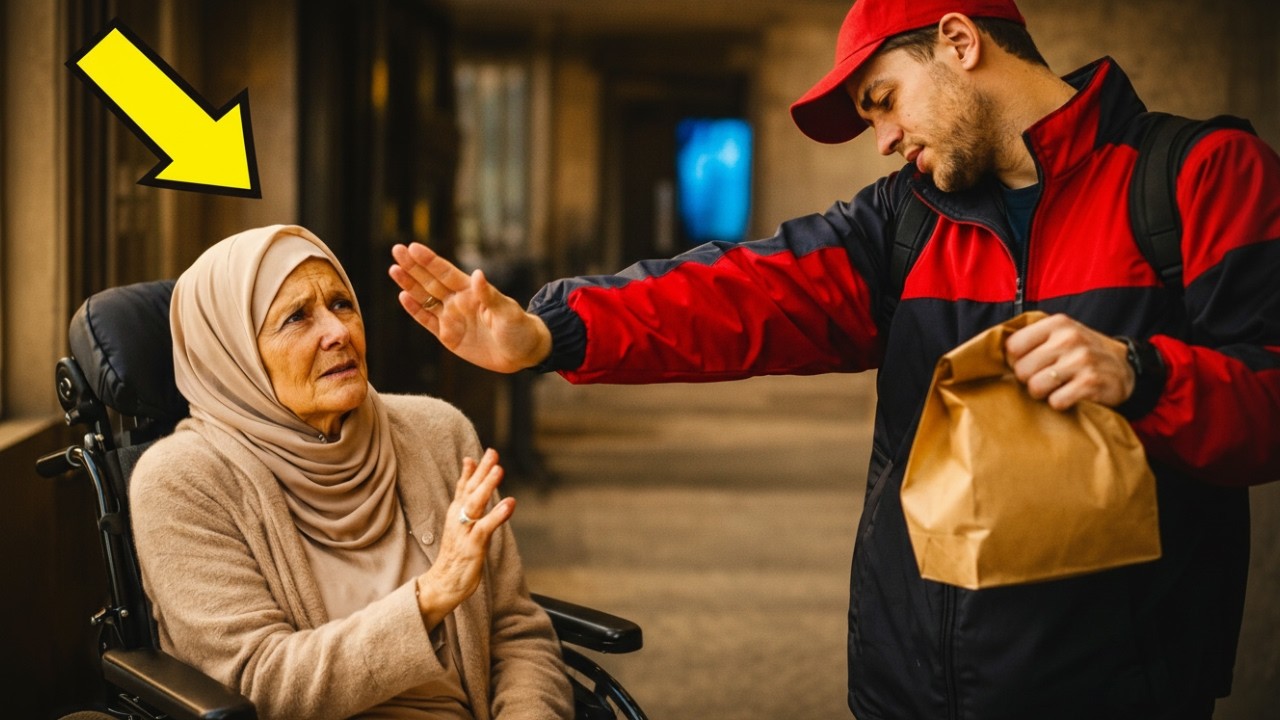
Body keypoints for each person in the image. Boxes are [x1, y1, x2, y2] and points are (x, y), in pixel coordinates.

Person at [388, 0, 1280, 717]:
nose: (884, 139)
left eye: (884, 100)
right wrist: (550, 332)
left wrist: (1141, 375)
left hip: (1119, 689)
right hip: (911, 688)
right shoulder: (907, 219)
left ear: (959, 42)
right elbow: (743, 291)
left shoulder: (1201, 177)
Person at [130, 225, 573, 720]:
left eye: (341, 304)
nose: (338, 332)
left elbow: (515, 631)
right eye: (296, 317)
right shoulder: (181, 482)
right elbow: (258, 684)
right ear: (233, 355)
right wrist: (430, 596)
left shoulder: (438, 433)